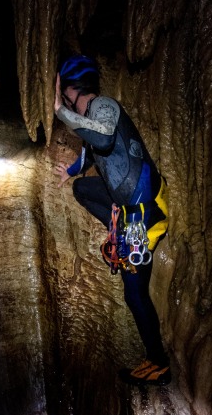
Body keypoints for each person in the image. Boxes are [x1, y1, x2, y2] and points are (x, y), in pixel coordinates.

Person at [54, 54, 171, 386]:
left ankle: (159, 362)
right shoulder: (93, 115)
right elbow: (91, 150)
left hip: (144, 211)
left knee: (133, 294)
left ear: (72, 92)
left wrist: (60, 113)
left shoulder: (104, 105)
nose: (66, 104)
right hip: (127, 205)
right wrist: (71, 171)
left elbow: (103, 138)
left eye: (66, 98)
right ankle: (115, 226)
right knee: (83, 189)